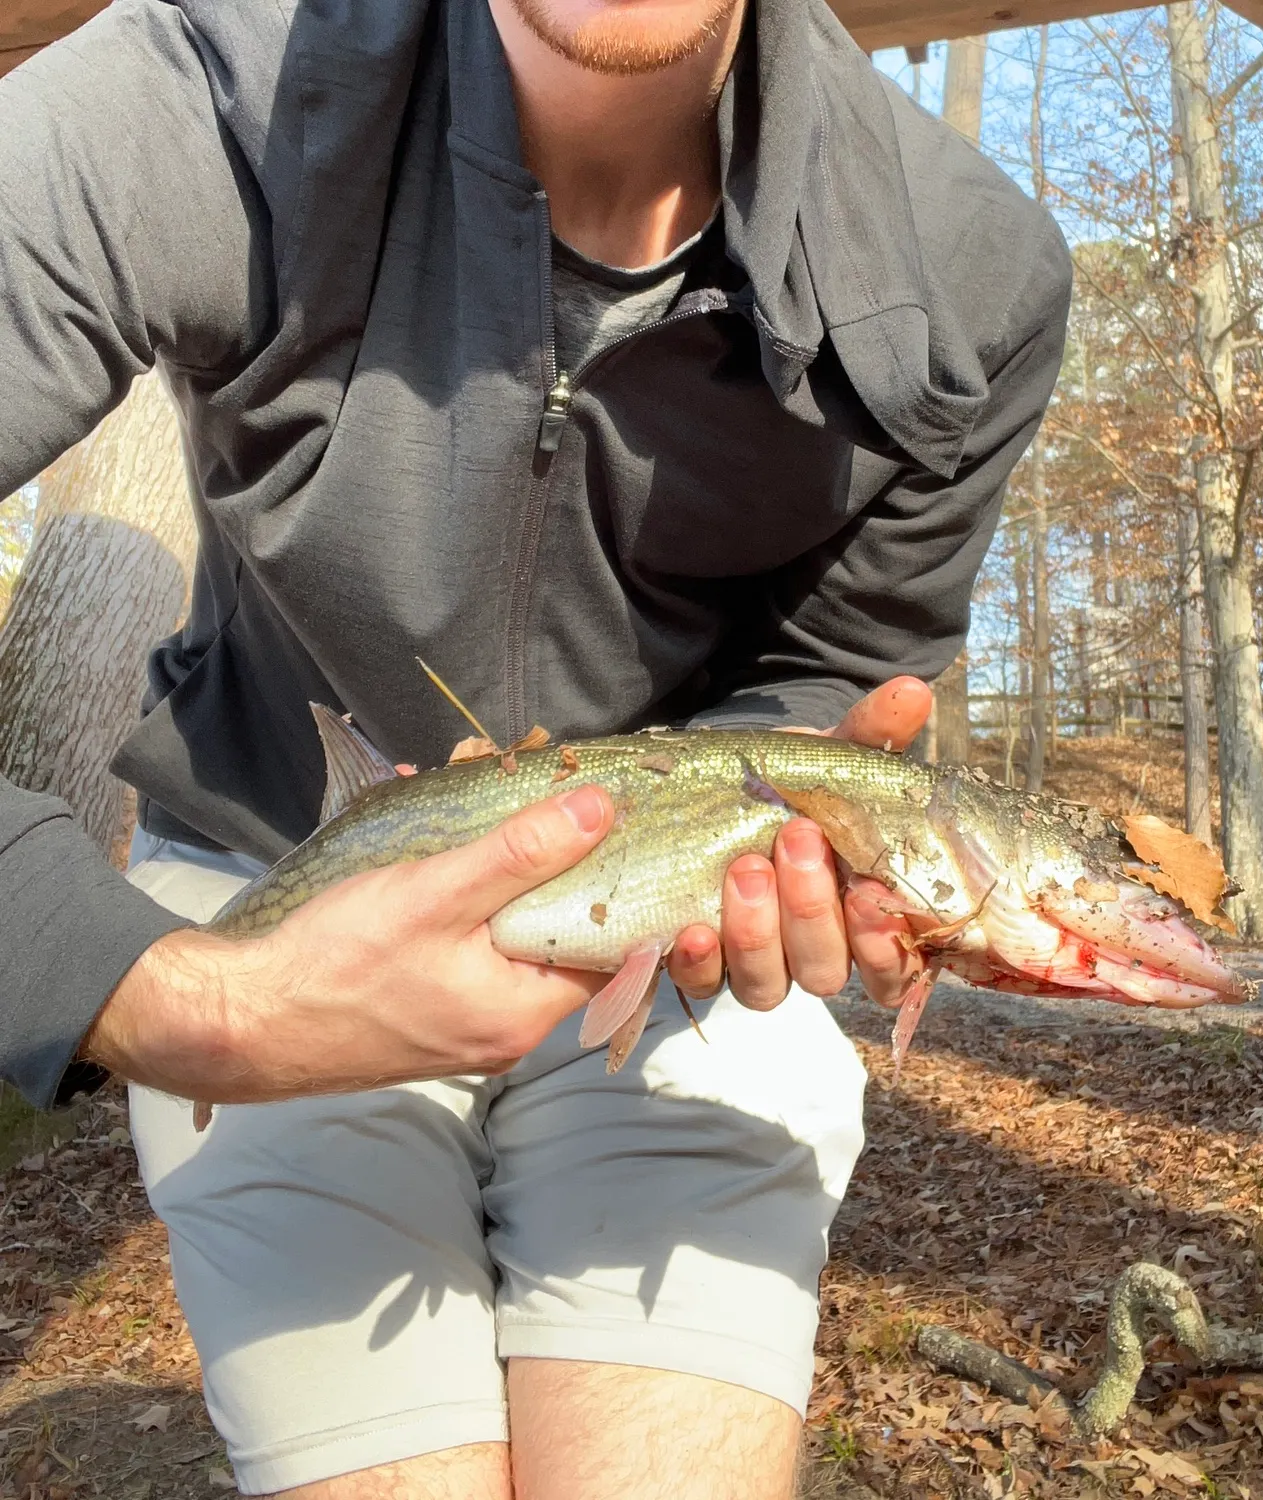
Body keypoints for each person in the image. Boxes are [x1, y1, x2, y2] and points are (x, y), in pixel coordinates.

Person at [0, 0, 1070, 1491]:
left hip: (679, 923)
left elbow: (829, 668)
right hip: (271, 878)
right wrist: (170, 996)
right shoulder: (198, 104)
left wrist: (801, 823)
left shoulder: (972, 279)